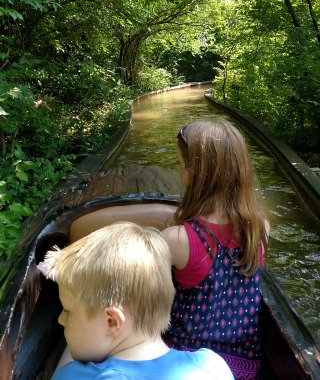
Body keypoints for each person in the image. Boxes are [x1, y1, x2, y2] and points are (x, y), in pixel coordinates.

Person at [38, 221, 235, 380]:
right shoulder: (213, 367)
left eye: (67, 311)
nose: (61, 320)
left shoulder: (73, 375)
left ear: (112, 321)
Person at [161, 120, 270, 380]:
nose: (178, 170)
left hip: (186, 361)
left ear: (193, 172)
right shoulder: (260, 228)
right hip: (244, 366)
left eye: (179, 163)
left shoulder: (177, 239)